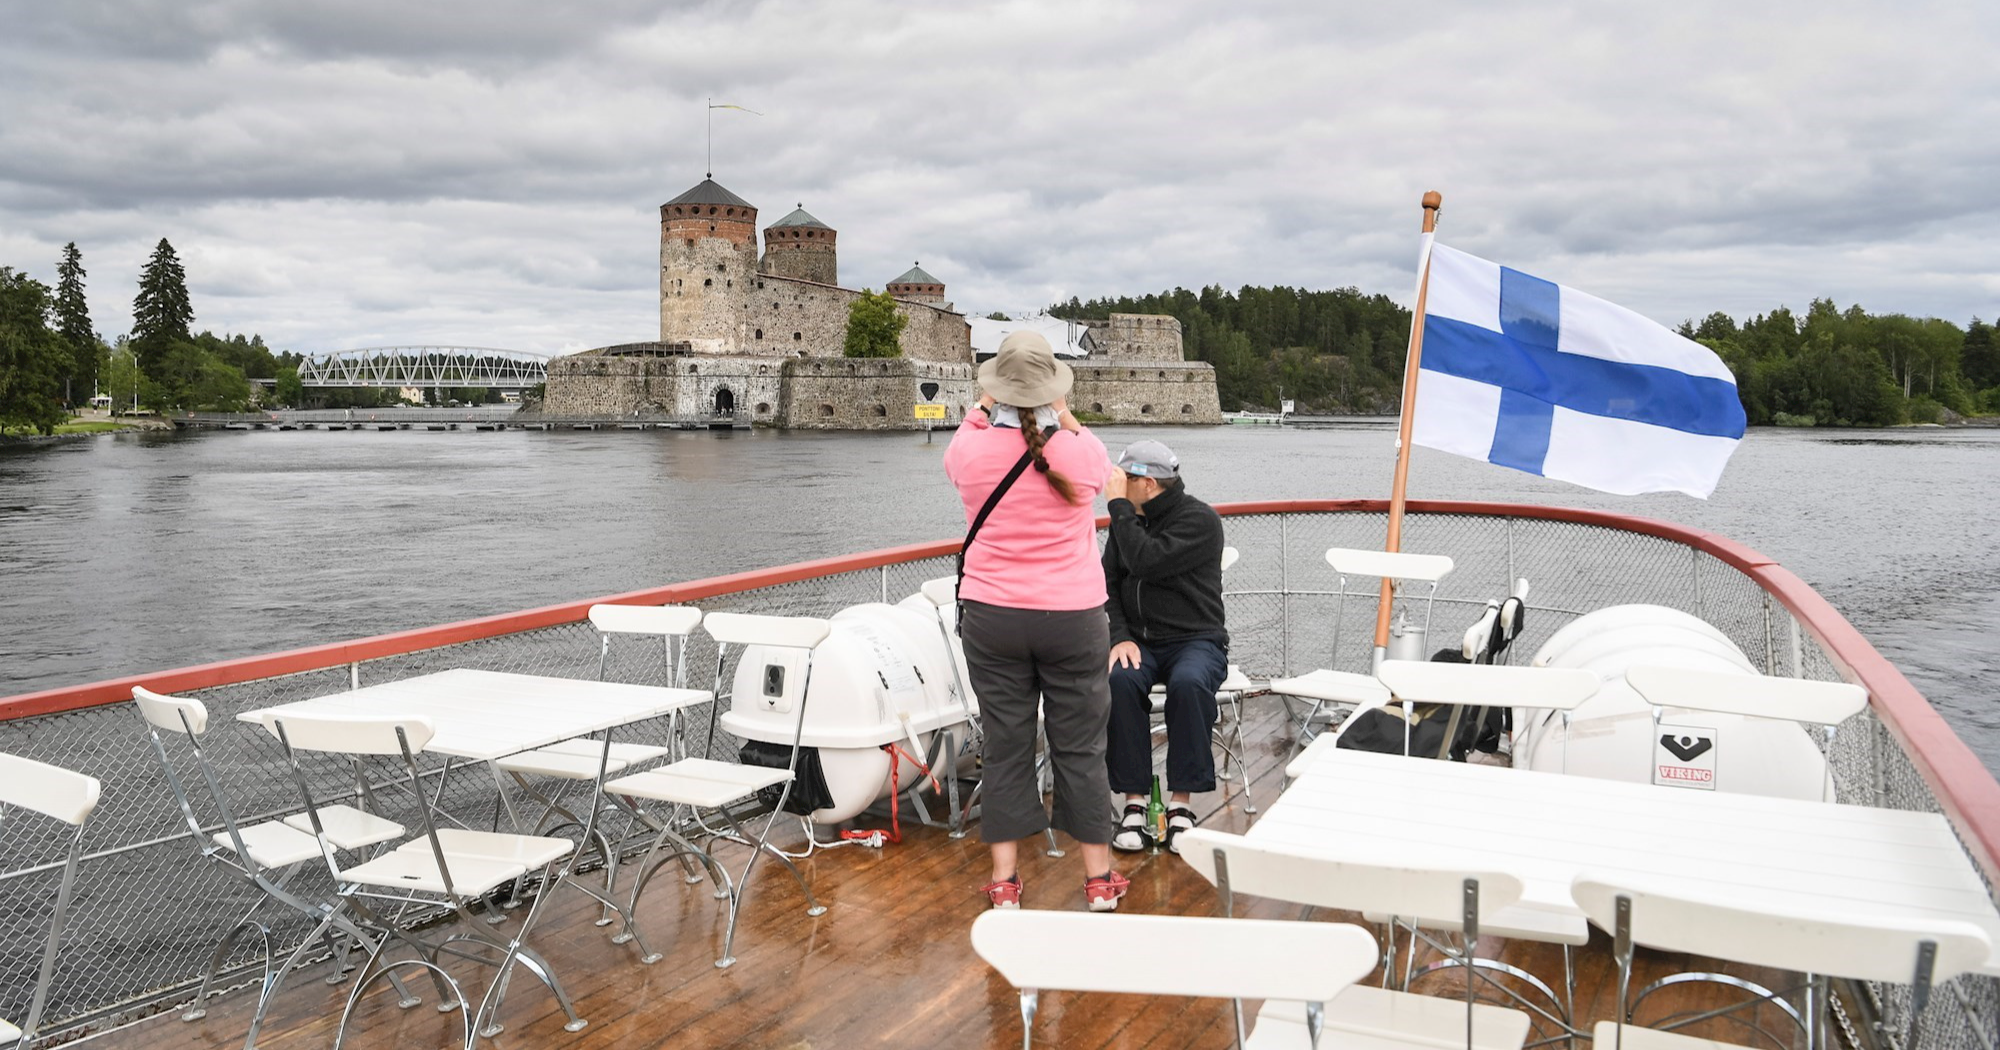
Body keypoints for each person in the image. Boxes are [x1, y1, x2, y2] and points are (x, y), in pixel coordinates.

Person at [944, 331, 1129, 912]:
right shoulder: (1079, 453)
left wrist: (981, 409)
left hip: (993, 616)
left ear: (993, 389)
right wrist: (1066, 418)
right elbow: (1096, 463)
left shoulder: (969, 452)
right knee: (1080, 747)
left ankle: (1005, 882)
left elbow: (965, 440)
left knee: (1005, 745)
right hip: (1072, 618)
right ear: (1054, 392)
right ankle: (1098, 879)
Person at [1100, 439, 1228, 854]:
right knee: (1121, 682)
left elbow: (1147, 561)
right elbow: (1112, 583)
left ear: (1149, 484)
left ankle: (1181, 806)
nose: (1116, 487)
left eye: (1125, 480)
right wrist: (1119, 635)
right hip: (1140, 641)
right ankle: (1134, 803)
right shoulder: (1129, 522)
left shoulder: (1199, 521)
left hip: (1196, 639)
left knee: (1190, 684)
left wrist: (1118, 509)